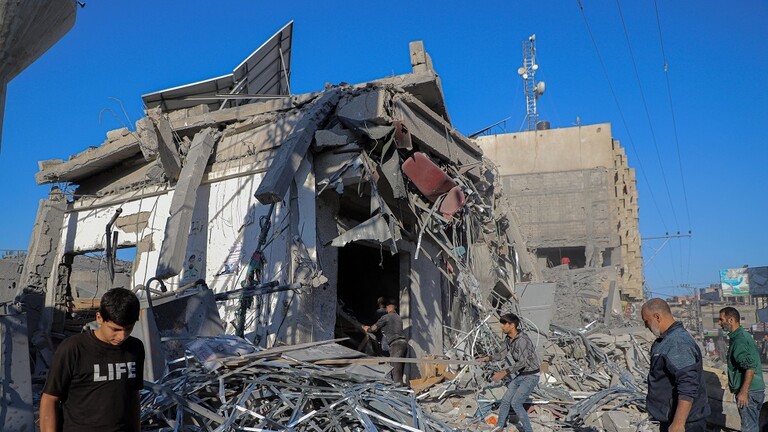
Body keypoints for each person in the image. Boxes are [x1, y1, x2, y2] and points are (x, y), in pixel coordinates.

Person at [40, 288, 145, 432]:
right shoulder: (73, 349)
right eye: (115, 329)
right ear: (99, 318)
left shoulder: (135, 348)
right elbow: (50, 398)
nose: (122, 336)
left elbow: (133, 395)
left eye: (128, 329)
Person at [642, 298, 710, 432]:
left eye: (646, 321)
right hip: (672, 419)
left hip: (686, 423)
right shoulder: (667, 340)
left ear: (657, 317)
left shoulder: (677, 342)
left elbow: (688, 384)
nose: (646, 326)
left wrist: (679, 423)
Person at [484, 313, 540, 432]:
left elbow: (522, 362)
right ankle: (499, 426)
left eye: (504, 324)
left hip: (531, 375)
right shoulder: (509, 339)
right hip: (522, 375)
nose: (502, 326)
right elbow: (501, 355)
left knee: (516, 403)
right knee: (506, 400)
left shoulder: (522, 340)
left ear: (512, 325)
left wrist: (504, 372)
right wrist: (488, 358)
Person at [719, 306, 765, 432]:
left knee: (749, 428)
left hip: (749, 391)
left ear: (731, 320)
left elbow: (750, 367)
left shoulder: (739, 340)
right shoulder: (741, 336)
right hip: (754, 390)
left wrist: (744, 392)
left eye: (721, 320)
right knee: (753, 426)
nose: (719, 323)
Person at [363, 298, 407, 384]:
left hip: (395, 344)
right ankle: (400, 385)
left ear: (388, 307)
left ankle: (398, 387)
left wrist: (368, 329)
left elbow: (374, 328)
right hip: (403, 343)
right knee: (399, 367)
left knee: (394, 368)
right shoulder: (398, 317)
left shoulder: (386, 317)